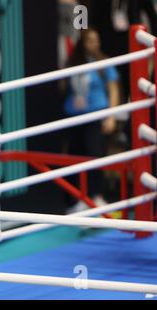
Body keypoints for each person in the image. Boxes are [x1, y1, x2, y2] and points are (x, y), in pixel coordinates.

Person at [62, 28, 121, 213]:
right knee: (76, 157)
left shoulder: (103, 63)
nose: (94, 44)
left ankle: (96, 197)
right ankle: (79, 199)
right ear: (82, 43)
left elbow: (113, 90)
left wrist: (111, 116)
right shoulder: (72, 62)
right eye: (90, 41)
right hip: (74, 117)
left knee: (95, 155)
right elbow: (64, 87)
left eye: (96, 40)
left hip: (96, 115)